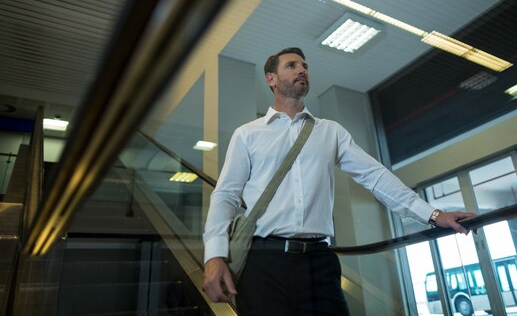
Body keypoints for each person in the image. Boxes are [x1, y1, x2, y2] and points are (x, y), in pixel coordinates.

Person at [202, 47, 475, 315]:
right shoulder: (247, 134)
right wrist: (214, 255)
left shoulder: (330, 132)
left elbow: (375, 176)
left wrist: (432, 215)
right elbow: (226, 195)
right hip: (263, 262)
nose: (302, 70)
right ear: (271, 79)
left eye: (305, 66)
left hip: (320, 263)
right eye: (292, 65)